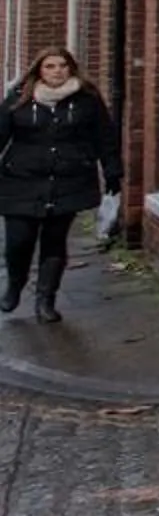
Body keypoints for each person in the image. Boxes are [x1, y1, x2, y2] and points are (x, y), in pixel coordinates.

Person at [0, 48, 123, 323]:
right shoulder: (19, 99)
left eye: (63, 65)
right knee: (19, 240)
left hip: (68, 181)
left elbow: (105, 136)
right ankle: (15, 285)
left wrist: (112, 171)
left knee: (54, 243)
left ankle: (46, 300)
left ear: (71, 68)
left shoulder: (87, 100)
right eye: (50, 66)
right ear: (39, 71)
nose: (57, 71)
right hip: (21, 180)